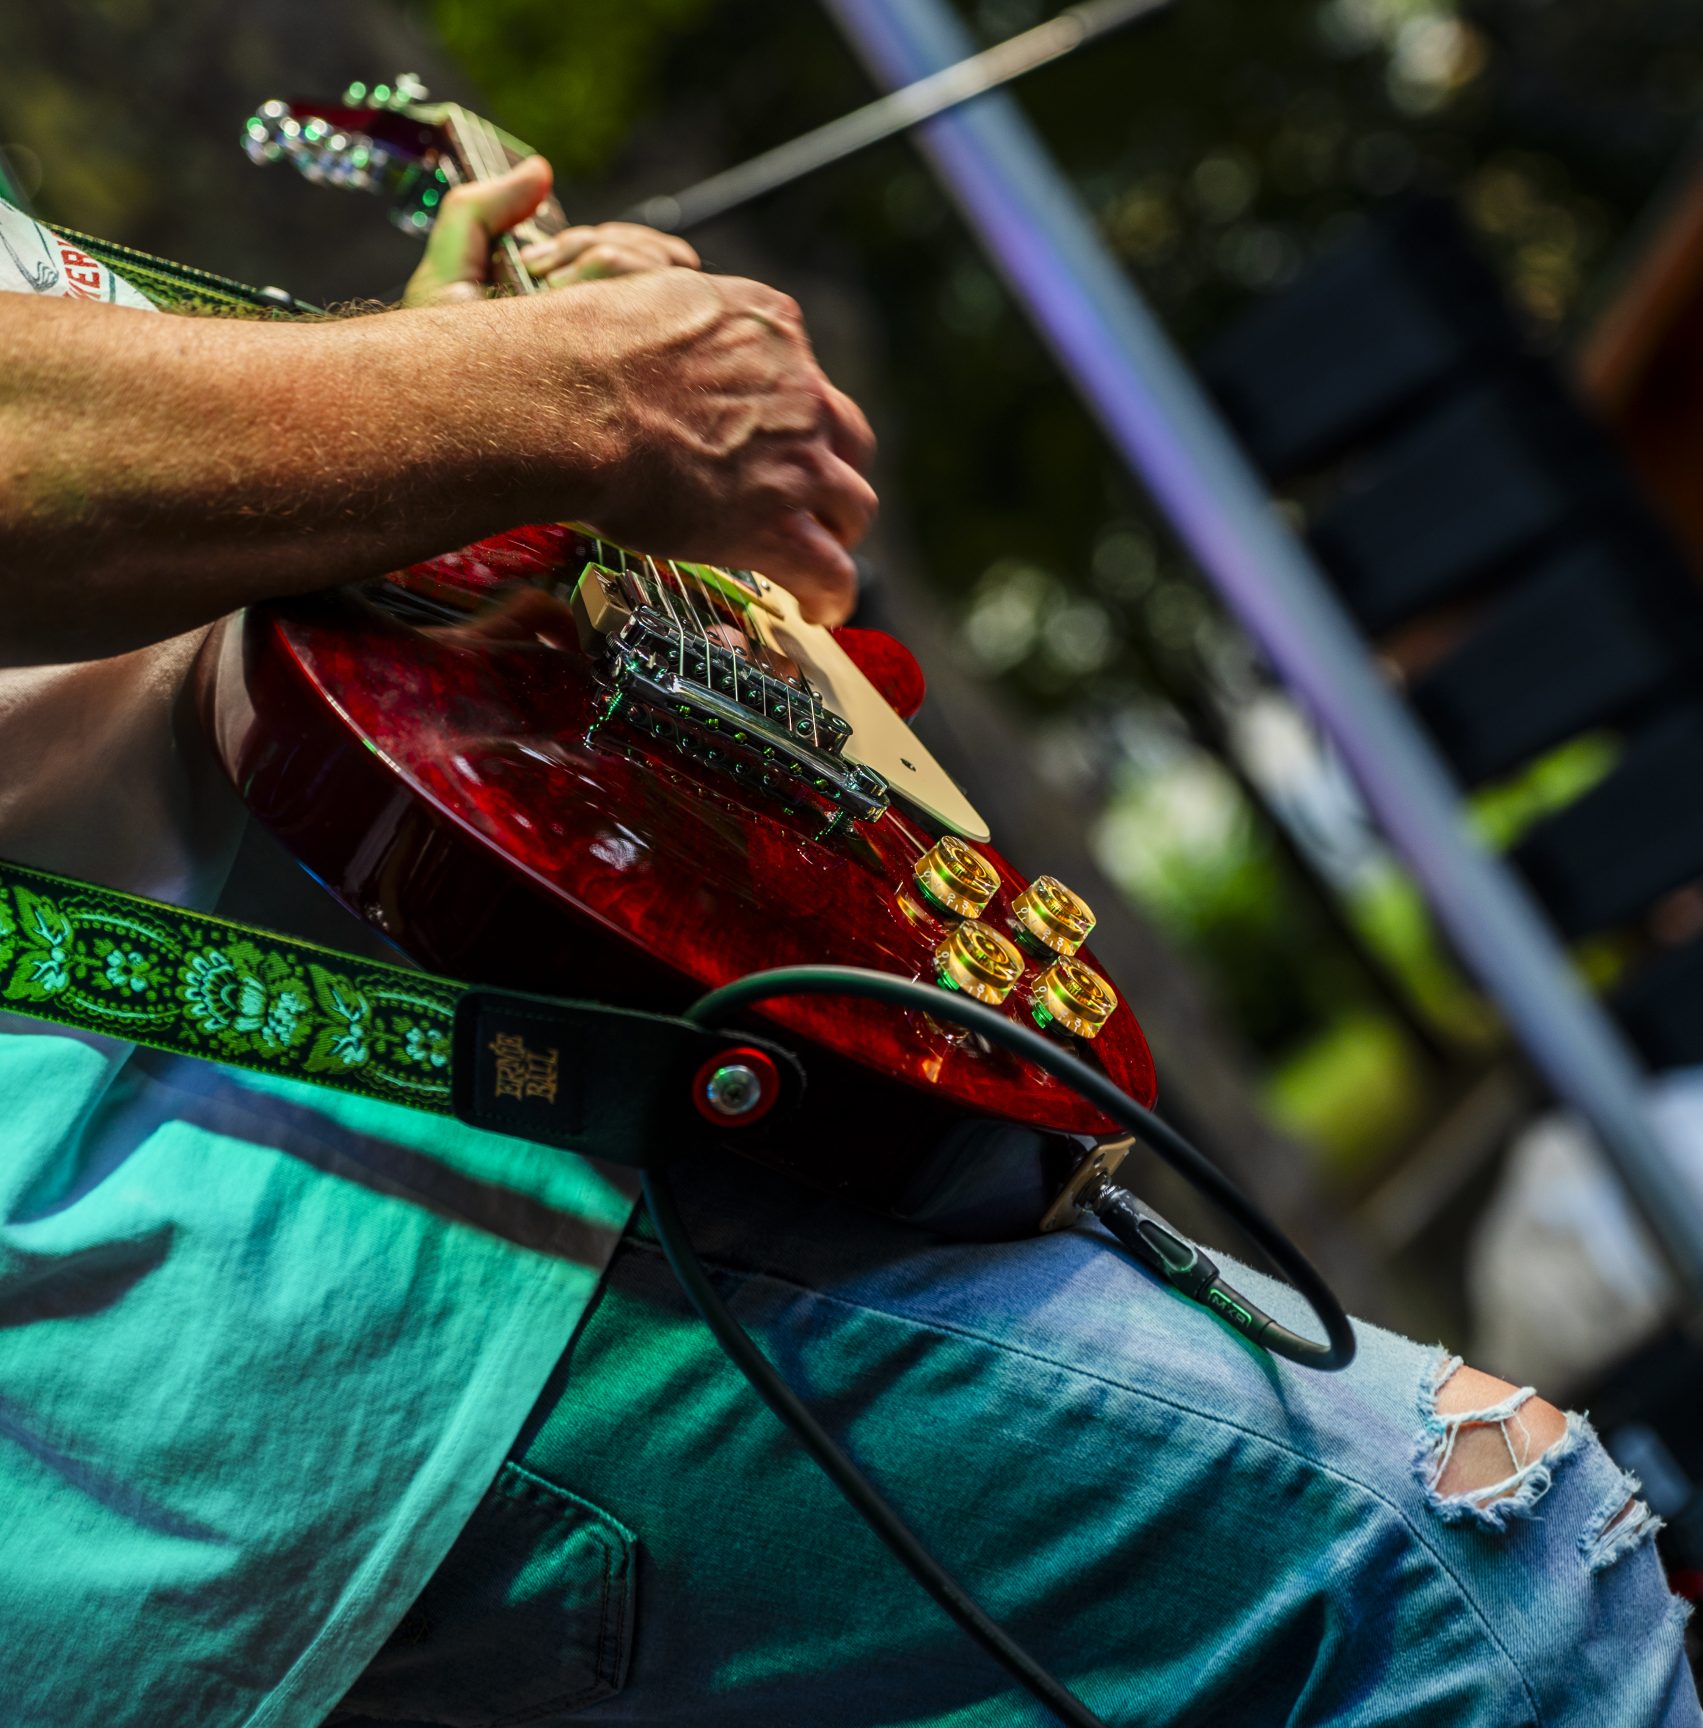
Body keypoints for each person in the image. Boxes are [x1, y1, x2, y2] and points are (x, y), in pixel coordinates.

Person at [0, 160, 1691, 1728]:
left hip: (420, 1184)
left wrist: (426, 392)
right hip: (281, 1265)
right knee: (1471, 1582)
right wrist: (581, 390)